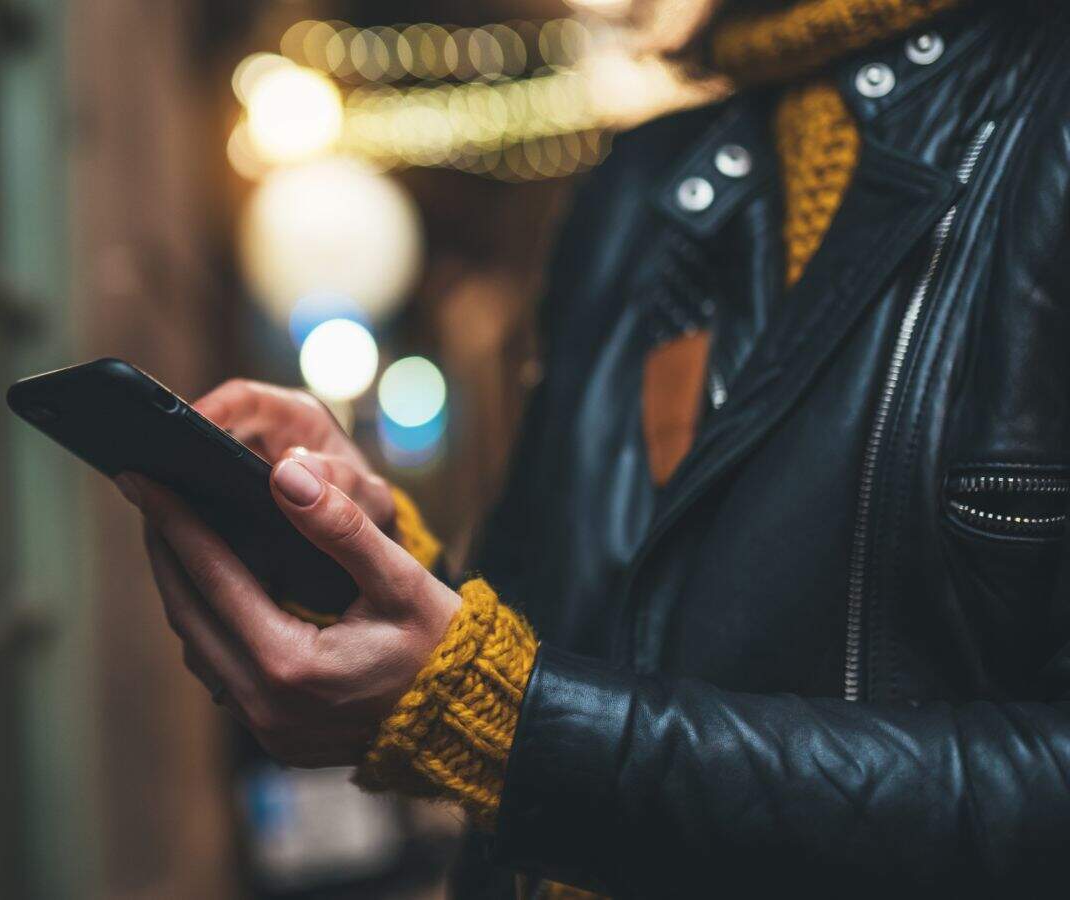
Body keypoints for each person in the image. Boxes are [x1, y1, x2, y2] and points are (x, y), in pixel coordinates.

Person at [118, 0, 1070, 895]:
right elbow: (563, 643)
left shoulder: (1042, 122)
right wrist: (377, 564)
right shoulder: (639, 186)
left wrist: (507, 728)